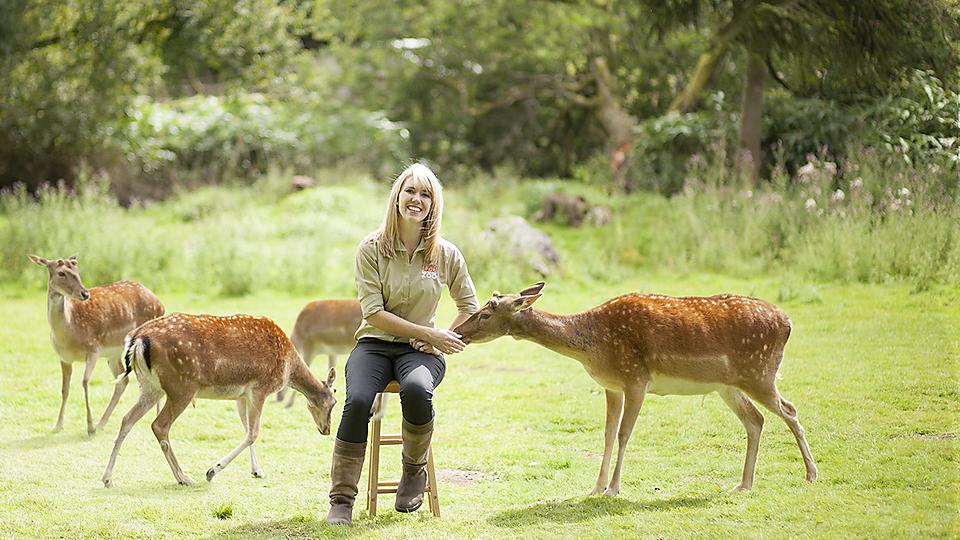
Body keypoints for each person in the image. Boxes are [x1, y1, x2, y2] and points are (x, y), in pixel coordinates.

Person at [327, 163, 479, 525]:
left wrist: (441, 342)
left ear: (433, 204)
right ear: (397, 197)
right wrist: (431, 333)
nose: (417, 199)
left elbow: (470, 307)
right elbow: (374, 313)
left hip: (422, 353)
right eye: (410, 191)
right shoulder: (371, 248)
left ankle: (414, 473)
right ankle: (342, 501)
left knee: (416, 390)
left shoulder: (445, 254)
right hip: (374, 345)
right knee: (359, 399)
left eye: (426, 194)